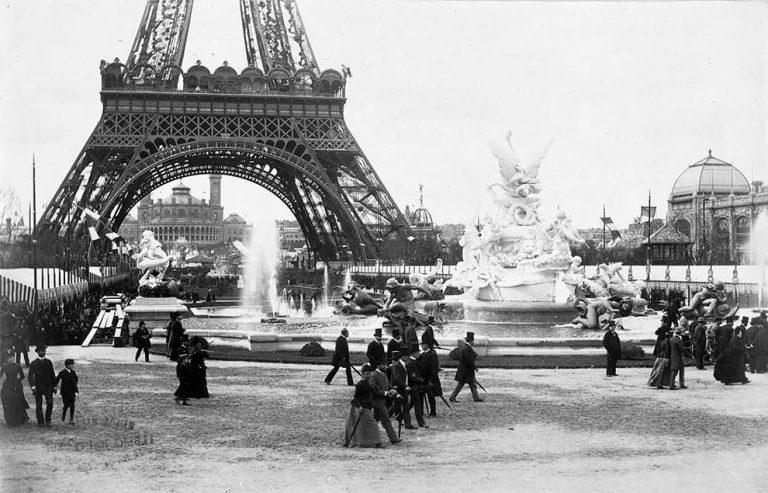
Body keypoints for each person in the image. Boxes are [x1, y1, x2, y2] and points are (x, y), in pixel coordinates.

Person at [344, 364, 382, 448]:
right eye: (366, 374)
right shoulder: (360, 384)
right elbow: (356, 397)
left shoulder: (368, 383)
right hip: (360, 407)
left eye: (369, 374)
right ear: (363, 374)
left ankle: (370, 442)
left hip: (366, 406)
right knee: (372, 424)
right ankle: (376, 442)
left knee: (366, 425)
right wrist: (360, 406)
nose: (368, 376)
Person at [368, 359, 400, 444]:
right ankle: (393, 438)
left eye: (385, 365)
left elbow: (388, 385)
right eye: (383, 365)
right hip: (377, 402)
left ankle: (367, 436)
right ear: (378, 365)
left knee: (374, 420)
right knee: (386, 419)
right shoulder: (374, 375)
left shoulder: (383, 374)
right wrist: (386, 393)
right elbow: (374, 390)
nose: (385, 366)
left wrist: (392, 390)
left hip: (382, 401)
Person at [449, 332, 483, 402]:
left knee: (472, 383)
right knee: (463, 384)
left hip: (465, 369)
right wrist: (475, 367)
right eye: (473, 341)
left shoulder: (465, 347)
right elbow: (469, 360)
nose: (473, 342)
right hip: (466, 370)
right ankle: (452, 396)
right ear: (471, 341)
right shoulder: (467, 348)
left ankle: (475, 397)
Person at [28, 345, 57, 426]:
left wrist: (55, 386)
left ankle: (48, 420)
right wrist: (33, 386)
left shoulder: (49, 362)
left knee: (50, 402)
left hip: (48, 386)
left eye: (44, 351)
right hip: (38, 387)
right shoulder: (34, 363)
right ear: (37, 352)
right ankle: (40, 421)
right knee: (39, 404)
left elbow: (52, 374)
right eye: (41, 351)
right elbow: (30, 376)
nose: (43, 352)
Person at [0, 347, 30, 426]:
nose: (11, 360)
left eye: (12, 358)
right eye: (9, 358)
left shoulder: (17, 366)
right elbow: (0, 375)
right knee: (7, 400)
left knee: (18, 401)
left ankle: (20, 418)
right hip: (8, 384)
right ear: (7, 359)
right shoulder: (5, 366)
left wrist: (17, 381)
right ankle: (10, 419)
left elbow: (22, 376)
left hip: (17, 384)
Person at [406, 343, 428, 428]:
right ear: (414, 353)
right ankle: (421, 423)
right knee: (417, 406)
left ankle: (400, 416)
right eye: (418, 352)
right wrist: (421, 380)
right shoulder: (409, 363)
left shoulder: (416, 361)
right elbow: (412, 377)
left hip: (418, 385)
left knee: (411, 404)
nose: (419, 353)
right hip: (414, 386)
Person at [419, 340, 442, 417]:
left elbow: (434, 368)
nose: (421, 346)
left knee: (431, 396)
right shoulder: (423, 354)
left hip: (430, 379)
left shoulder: (432, 354)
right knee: (421, 395)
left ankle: (433, 412)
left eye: (423, 344)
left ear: (427, 345)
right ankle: (421, 411)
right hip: (423, 379)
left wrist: (432, 380)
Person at [54, 358, 79, 424]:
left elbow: (76, 379)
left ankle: (71, 418)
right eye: (72, 364)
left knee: (72, 404)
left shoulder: (73, 372)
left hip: (72, 391)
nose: (73, 366)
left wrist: (75, 389)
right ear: (68, 365)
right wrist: (55, 386)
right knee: (66, 404)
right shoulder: (62, 372)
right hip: (65, 392)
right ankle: (63, 416)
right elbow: (56, 380)